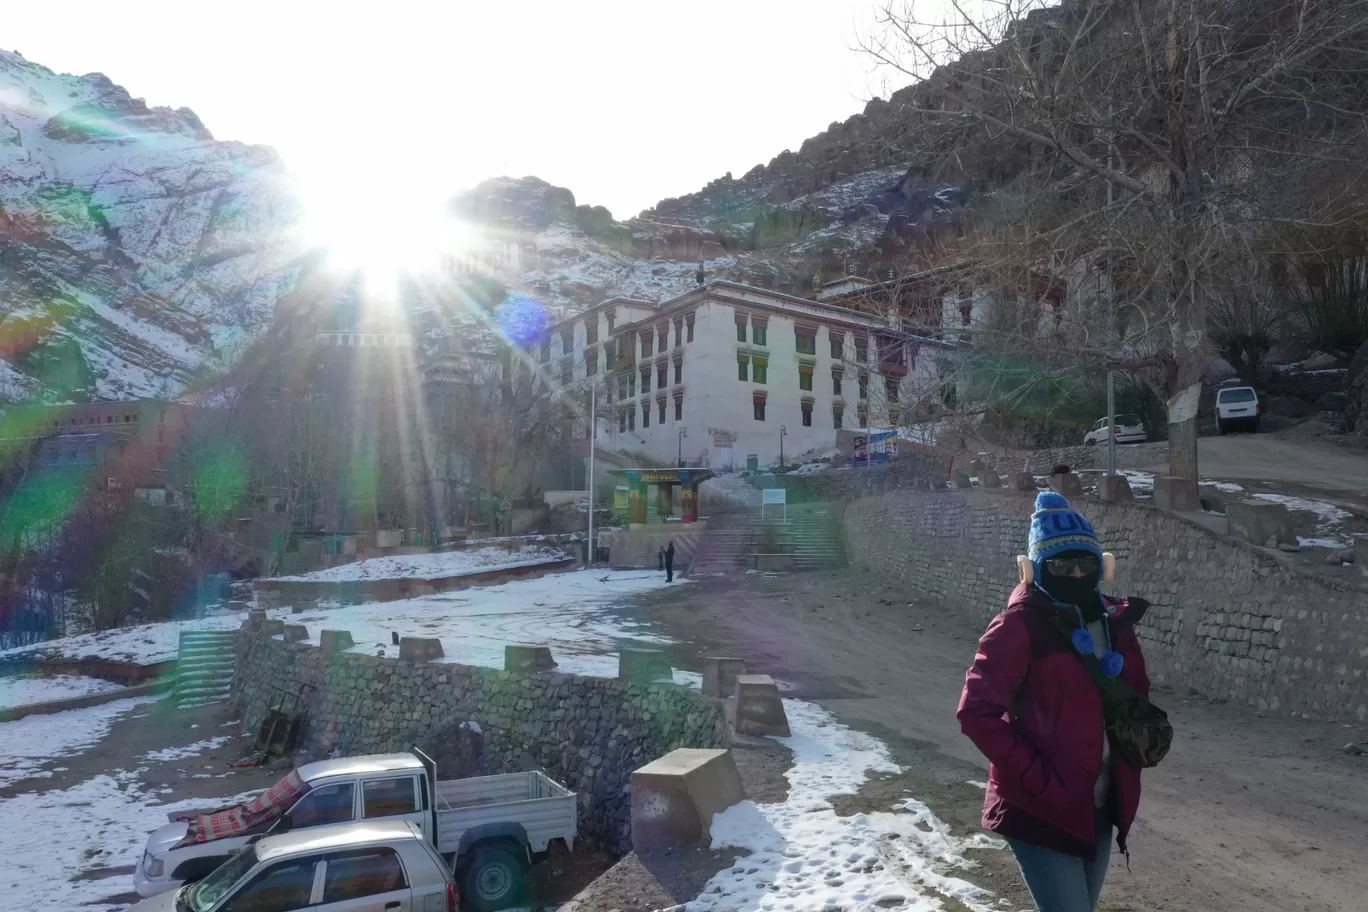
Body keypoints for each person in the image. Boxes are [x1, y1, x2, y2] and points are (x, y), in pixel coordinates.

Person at [957, 491, 1153, 912]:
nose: (1076, 573)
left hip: (1098, 805)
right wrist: (1040, 780)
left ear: (1103, 565)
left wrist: (1139, 735)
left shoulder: (1115, 624)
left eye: (1086, 563)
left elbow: (1137, 693)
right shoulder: (1017, 626)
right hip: (1040, 808)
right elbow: (976, 712)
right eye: (1062, 565)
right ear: (1033, 570)